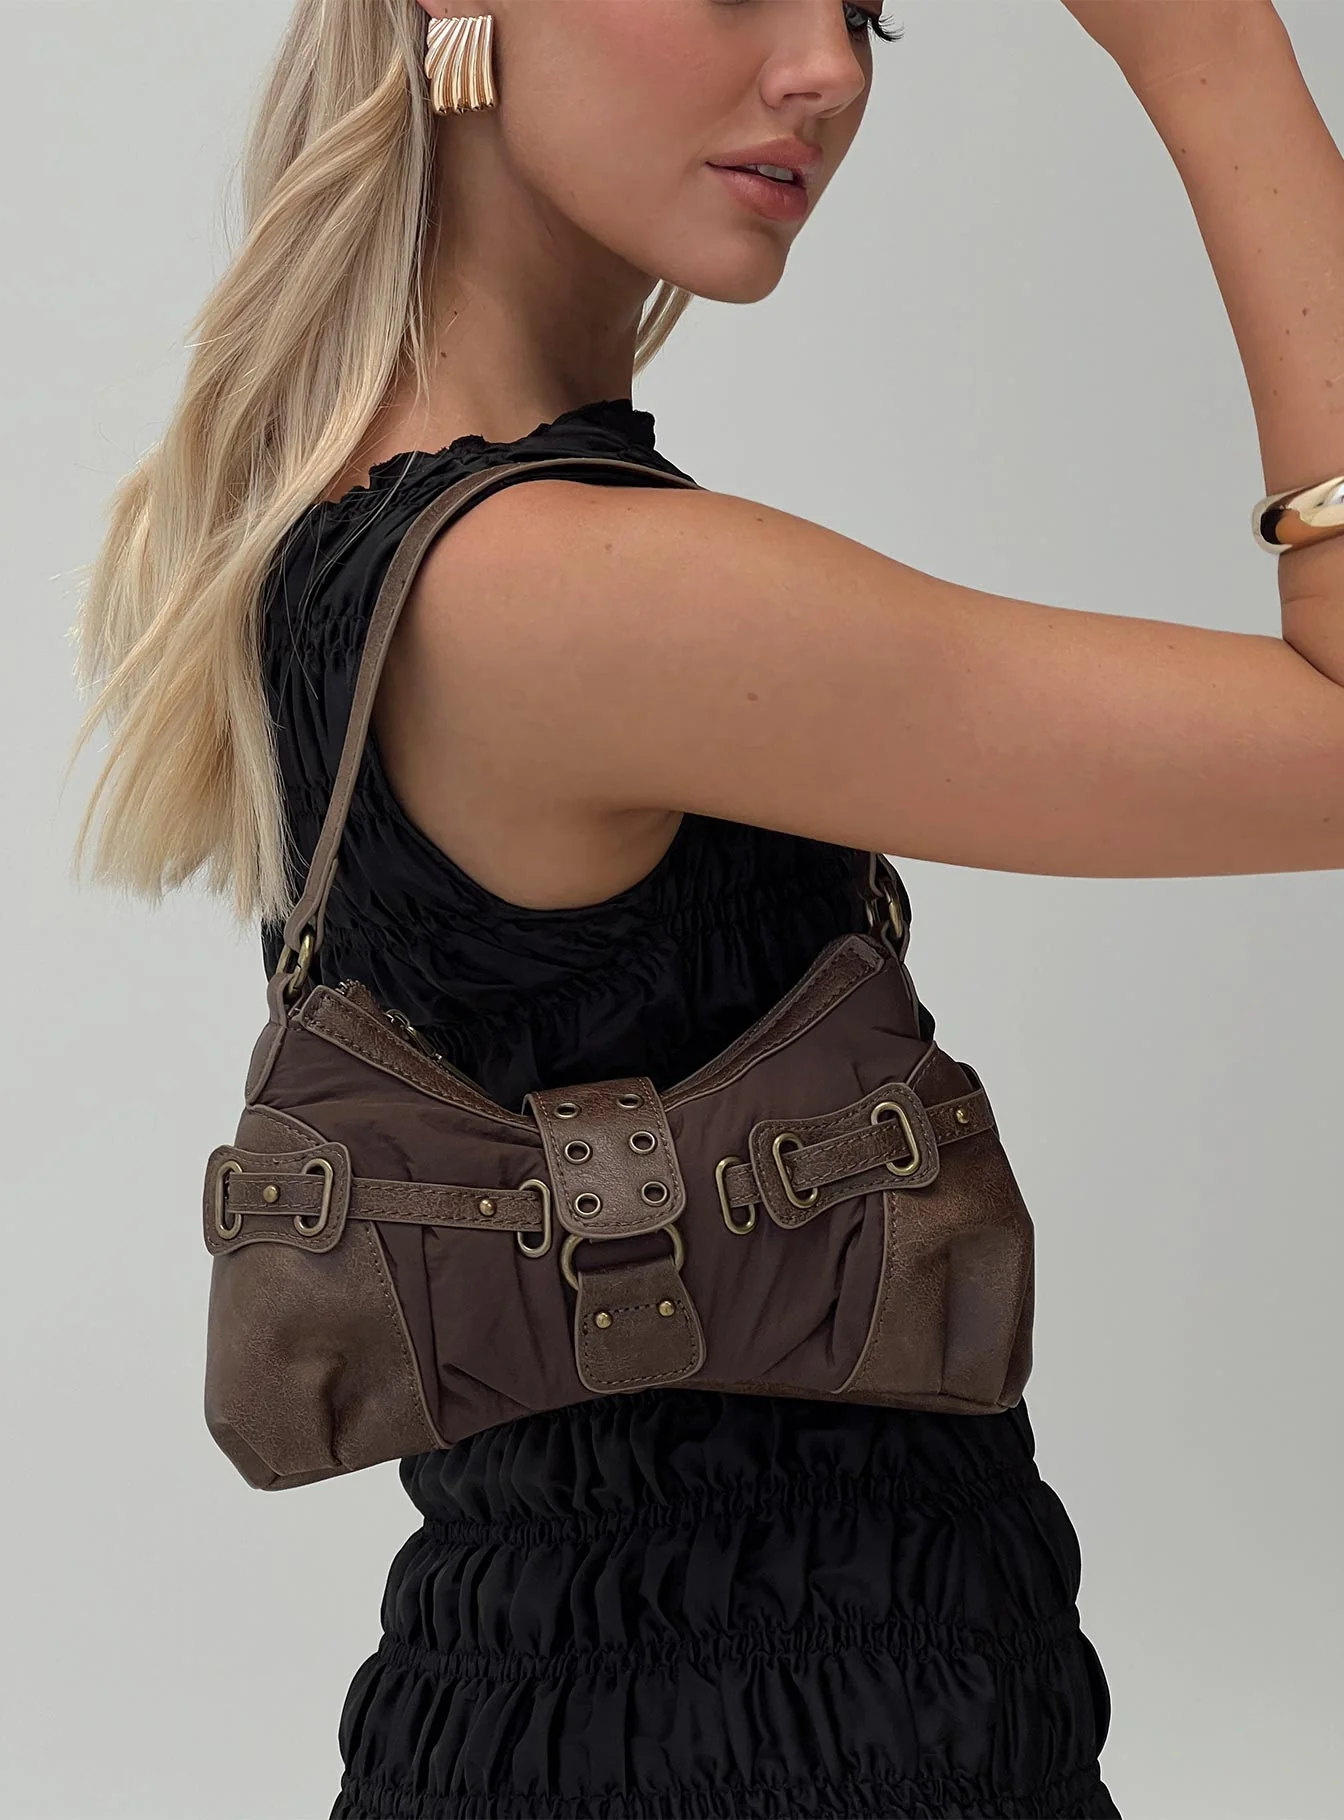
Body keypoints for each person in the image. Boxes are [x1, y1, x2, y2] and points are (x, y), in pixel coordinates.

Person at [66, 1, 1344, 1815]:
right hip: (770, 1738)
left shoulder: (397, 533)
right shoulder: (562, 588)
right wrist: (1211, 55)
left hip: (622, 1709)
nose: (830, 69)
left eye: (865, 5)